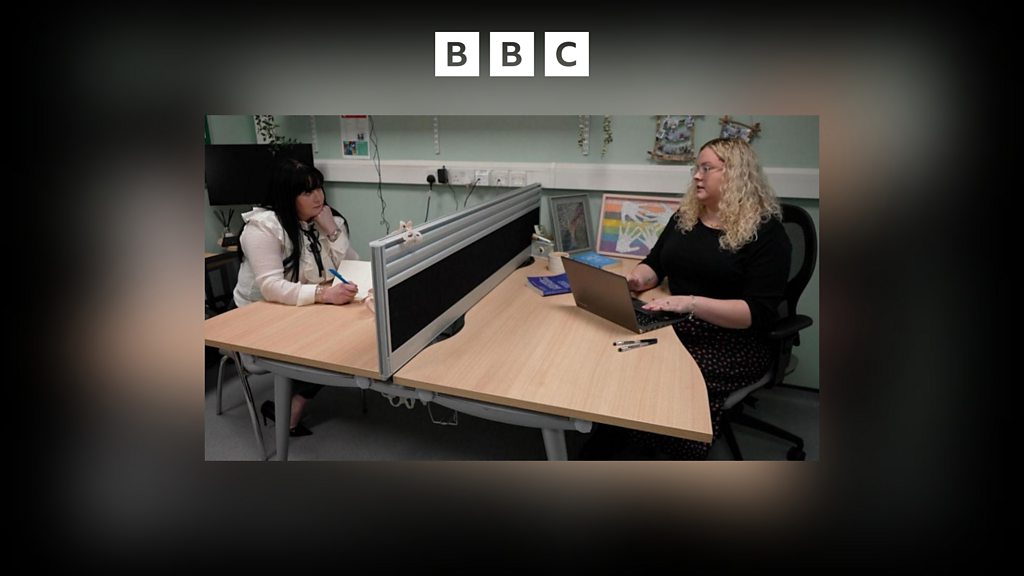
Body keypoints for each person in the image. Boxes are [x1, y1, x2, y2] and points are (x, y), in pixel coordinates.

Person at [581, 137, 791, 459]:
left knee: (666, 380)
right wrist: (638, 279)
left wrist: (691, 303)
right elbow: (655, 263)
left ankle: (659, 450)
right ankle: (614, 441)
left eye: (706, 168)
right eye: (696, 168)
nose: (696, 175)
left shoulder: (767, 233)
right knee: (620, 359)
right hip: (678, 323)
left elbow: (756, 312)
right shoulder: (686, 217)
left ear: (735, 173)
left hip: (733, 340)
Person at [233, 158, 360, 436]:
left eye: (319, 188)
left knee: (356, 336)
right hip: (259, 317)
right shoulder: (263, 228)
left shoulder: (325, 219)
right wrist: (324, 294)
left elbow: (351, 265)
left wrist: (333, 231)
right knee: (336, 345)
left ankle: (298, 398)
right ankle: (293, 407)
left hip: (303, 308)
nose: (318, 197)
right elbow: (271, 287)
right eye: (307, 192)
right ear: (286, 196)